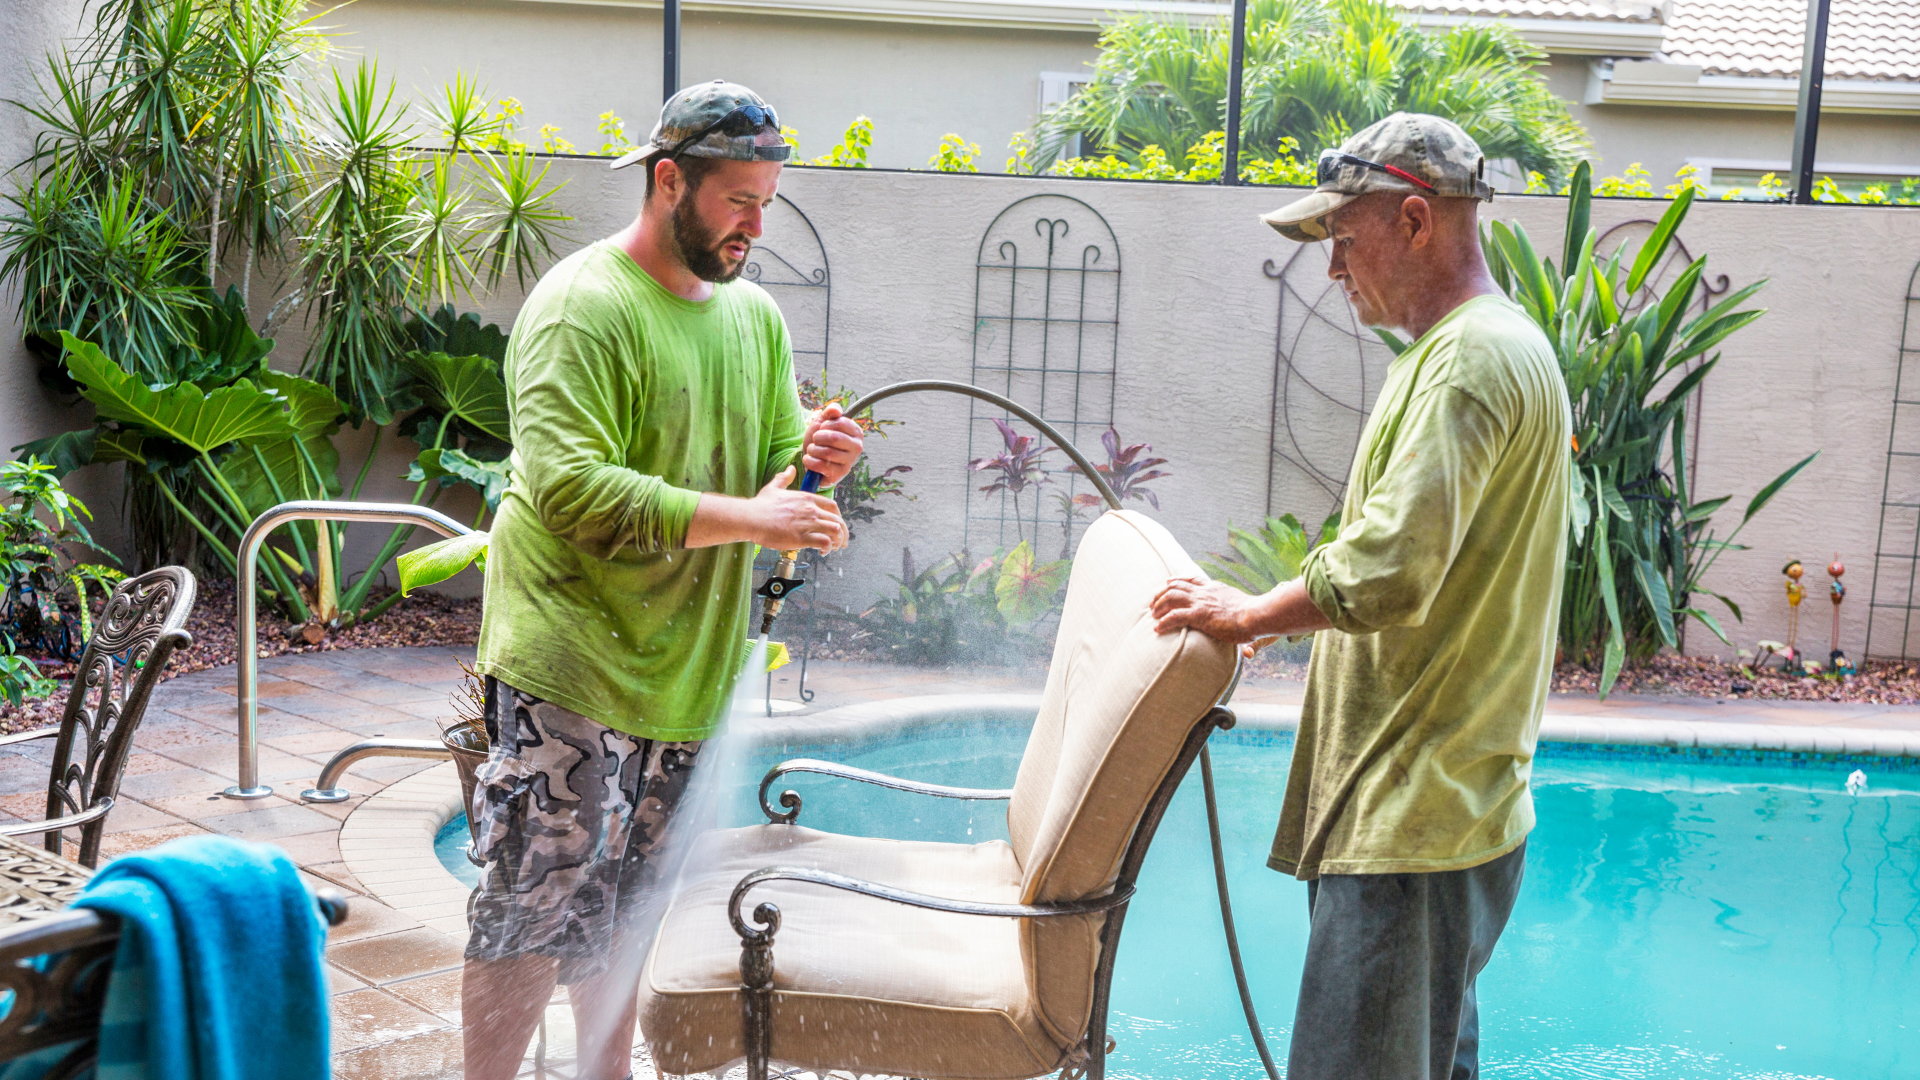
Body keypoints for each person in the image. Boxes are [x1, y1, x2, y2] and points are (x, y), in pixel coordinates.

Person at [1151, 113, 1571, 1080]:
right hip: (1449, 811)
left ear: (1416, 221)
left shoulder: (1467, 362)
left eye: (1345, 241)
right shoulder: (1489, 348)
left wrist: (1245, 616)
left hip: (1412, 817)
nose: (1334, 270)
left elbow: (1390, 569)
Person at [461, 81, 865, 1080]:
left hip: (685, 677)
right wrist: (758, 515)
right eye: (739, 200)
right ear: (669, 179)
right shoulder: (582, 309)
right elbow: (569, 492)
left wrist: (812, 471)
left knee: (627, 915)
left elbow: (772, 465)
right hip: (571, 670)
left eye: (768, 201)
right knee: (527, 920)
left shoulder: (753, 319)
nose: (756, 225)